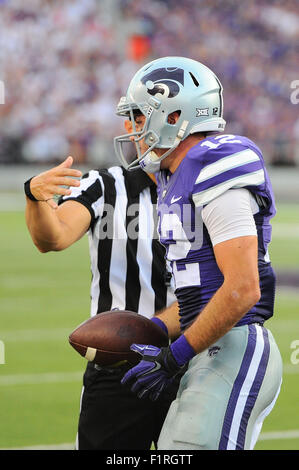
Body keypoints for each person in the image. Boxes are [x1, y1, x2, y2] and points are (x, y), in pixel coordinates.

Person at [114, 56, 283, 450]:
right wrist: (152, 331)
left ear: (174, 115)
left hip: (236, 348)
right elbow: (199, 294)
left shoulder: (216, 161)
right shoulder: (174, 178)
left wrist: (174, 357)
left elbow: (243, 289)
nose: (132, 129)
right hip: (208, 349)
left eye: (140, 116)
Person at [24, 157, 182, 450]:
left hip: (194, 358)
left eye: (143, 116)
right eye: (134, 117)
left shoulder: (209, 184)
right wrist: (35, 197)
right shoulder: (104, 184)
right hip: (119, 359)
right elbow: (52, 237)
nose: (136, 129)